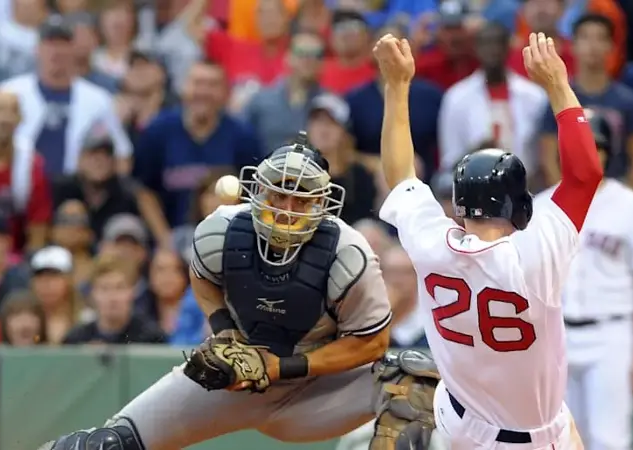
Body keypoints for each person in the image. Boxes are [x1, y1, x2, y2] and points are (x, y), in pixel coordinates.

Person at [40, 133, 443, 450]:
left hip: (318, 389)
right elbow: (202, 277)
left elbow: (370, 345)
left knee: (412, 378)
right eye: (278, 194)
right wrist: (224, 329)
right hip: (237, 377)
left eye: (299, 198)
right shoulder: (220, 229)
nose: (286, 207)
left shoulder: (348, 252)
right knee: (107, 444)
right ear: (258, 190)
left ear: (322, 203)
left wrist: (279, 367)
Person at [374, 31, 602, 449]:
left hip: (458, 418)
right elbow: (585, 176)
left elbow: (401, 175)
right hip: (527, 435)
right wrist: (557, 85)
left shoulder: (432, 243)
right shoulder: (534, 255)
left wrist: (396, 86)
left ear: (459, 207)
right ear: (520, 206)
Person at [535, 110, 633, 450]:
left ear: (607, 152)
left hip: (611, 334)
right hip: (555, 336)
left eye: (595, 145)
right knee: (556, 440)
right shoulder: (540, 206)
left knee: (609, 441)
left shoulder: (629, 205)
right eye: (578, 145)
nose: (585, 152)